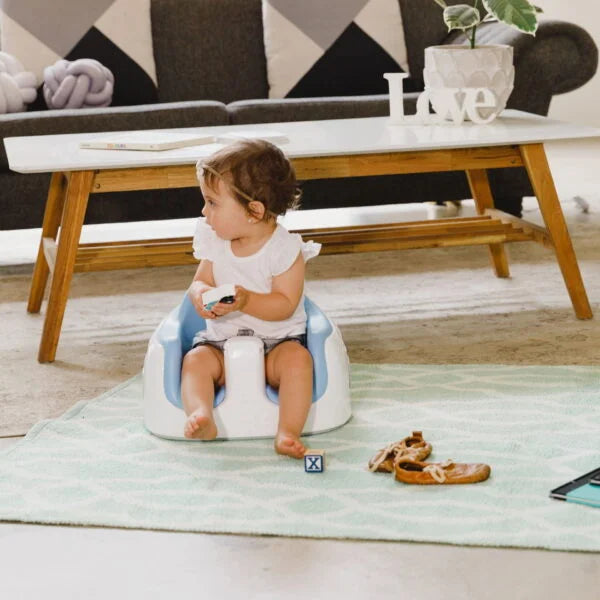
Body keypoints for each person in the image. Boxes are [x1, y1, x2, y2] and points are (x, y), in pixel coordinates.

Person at [181, 139, 321, 459]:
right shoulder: (216, 242)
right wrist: (201, 296)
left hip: (277, 345)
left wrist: (247, 302)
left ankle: (287, 432)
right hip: (220, 345)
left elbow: (285, 304)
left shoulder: (284, 249)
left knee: (298, 361)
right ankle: (201, 415)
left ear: (254, 211)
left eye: (212, 203)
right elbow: (200, 281)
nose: (204, 212)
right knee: (195, 361)